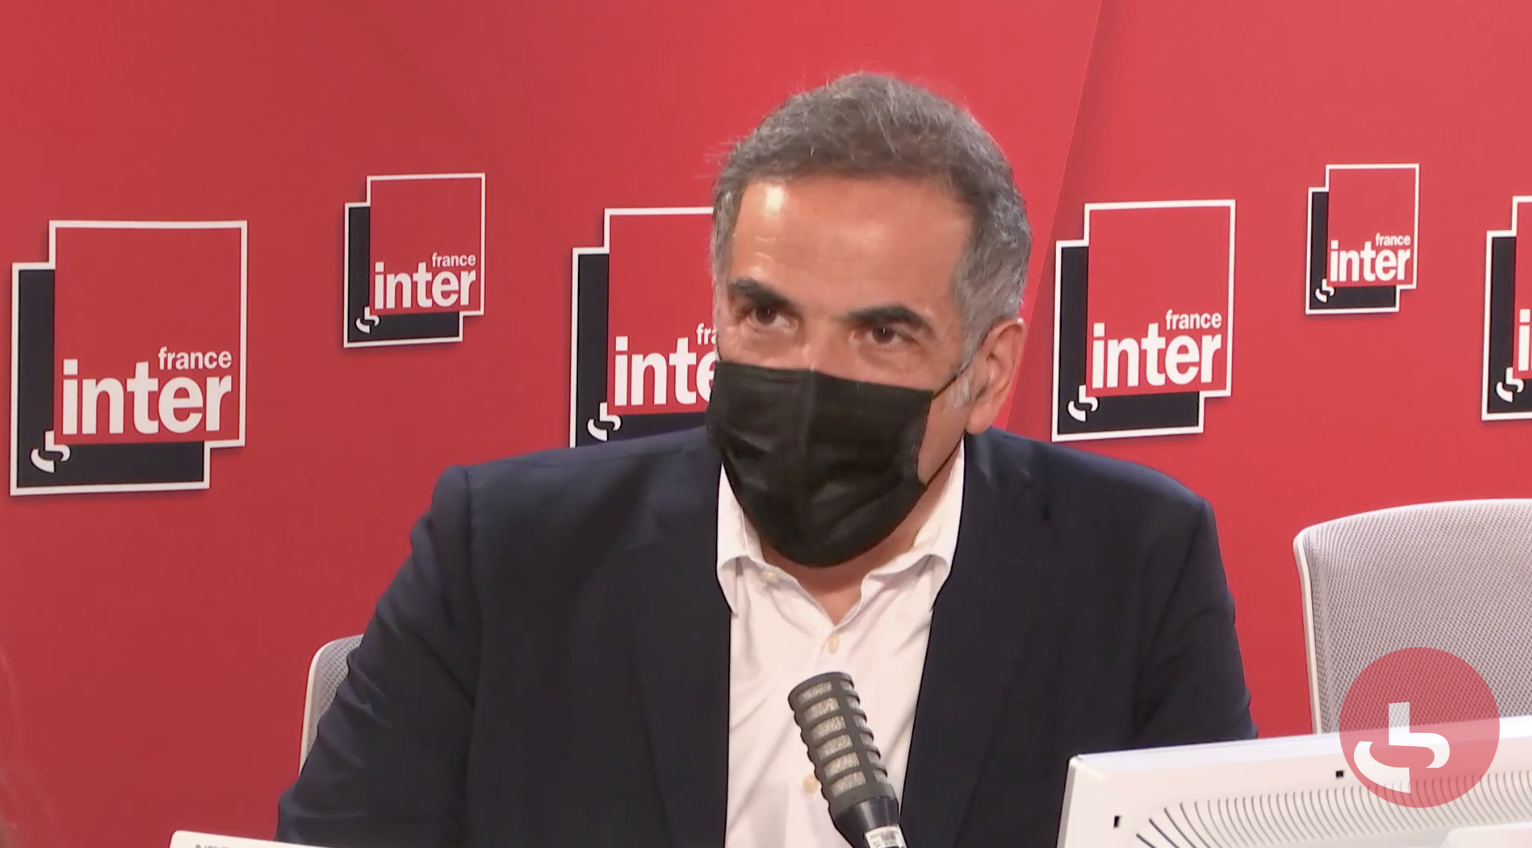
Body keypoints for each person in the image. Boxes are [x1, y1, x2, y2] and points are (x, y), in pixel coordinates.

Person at [277, 72, 1254, 848]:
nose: (809, 379)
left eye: (880, 335)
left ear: (988, 372)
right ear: (716, 310)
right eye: (768, 316)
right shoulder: (503, 555)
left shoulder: (1135, 565)